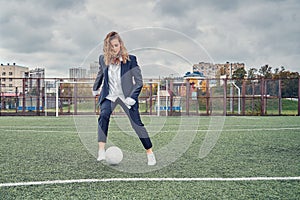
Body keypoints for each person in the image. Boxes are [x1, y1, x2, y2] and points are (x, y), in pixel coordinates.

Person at [92, 31, 156, 166]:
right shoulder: (102, 59)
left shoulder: (131, 60)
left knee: (136, 124)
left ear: (120, 44)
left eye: (116, 45)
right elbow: (101, 74)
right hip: (110, 96)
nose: (114, 49)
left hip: (126, 96)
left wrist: (133, 97)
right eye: (111, 47)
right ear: (106, 48)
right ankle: (101, 150)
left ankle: (150, 153)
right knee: (103, 115)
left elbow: (139, 82)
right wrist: (95, 88)